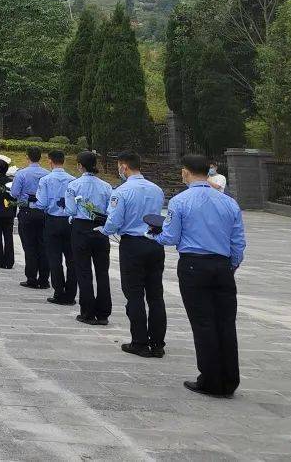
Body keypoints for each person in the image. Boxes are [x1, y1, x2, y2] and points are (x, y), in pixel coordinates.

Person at [156, 153, 246, 398]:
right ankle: (230, 379)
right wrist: (231, 266)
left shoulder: (180, 201)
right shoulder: (228, 202)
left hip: (194, 266)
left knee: (203, 322)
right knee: (225, 322)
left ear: (185, 172)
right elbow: (238, 243)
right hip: (222, 266)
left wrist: (155, 235)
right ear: (209, 172)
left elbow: (171, 237)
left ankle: (210, 379)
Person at [102, 151, 167, 358]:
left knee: (135, 293)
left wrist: (103, 230)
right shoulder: (156, 190)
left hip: (132, 245)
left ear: (124, 167)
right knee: (156, 295)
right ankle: (157, 343)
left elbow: (113, 222)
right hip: (155, 243)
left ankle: (139, 341)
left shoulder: (121, 191)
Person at [66, 151, 112, 325]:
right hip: (101, 228)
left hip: (81, 228)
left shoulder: (74, 185)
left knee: (83, 271)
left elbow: (70, 210)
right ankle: (103, 313)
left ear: (80, 165)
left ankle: (87, 312)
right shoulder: (107, 186)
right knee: (102, 272)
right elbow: (110, 210)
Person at [36, 150, 76, 306]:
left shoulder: (45, 180)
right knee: (72, 259)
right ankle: (71, 293)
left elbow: (42, 203)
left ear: (50, 161)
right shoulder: (73, 180)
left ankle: (59, 292)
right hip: (69, 221)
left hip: (52, 221)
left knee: (54, 258)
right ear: (64, 161)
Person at [13, 148, 49, 289]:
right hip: (43, 213)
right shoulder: (47, 174)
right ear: (40, 158)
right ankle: (44, 278)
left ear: (27, 157)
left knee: (29, 246)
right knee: (43, 245)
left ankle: (31, 277)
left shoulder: (21, 174)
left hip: (27, 212)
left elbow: (15, 193)